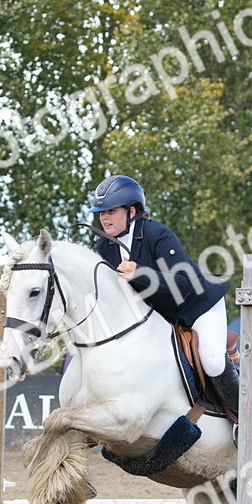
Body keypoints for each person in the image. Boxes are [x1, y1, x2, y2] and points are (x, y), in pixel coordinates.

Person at [88, 175, 239, 416]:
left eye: (111, 211)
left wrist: (140, 273)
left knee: (212, 360)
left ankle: (245, 419)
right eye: (101, 212)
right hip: (162, 316)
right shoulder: (104, 245)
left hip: (198, 305)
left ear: (132, 211)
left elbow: (183, 282)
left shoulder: (157, 234)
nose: (104, 217)